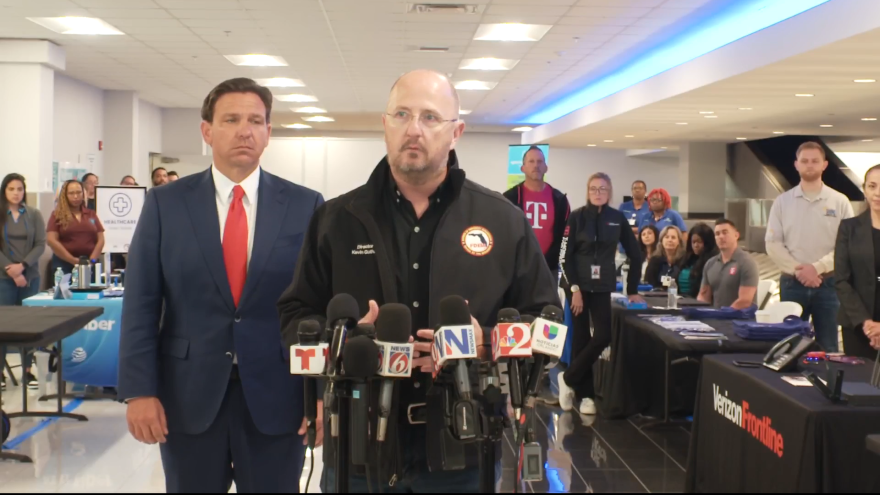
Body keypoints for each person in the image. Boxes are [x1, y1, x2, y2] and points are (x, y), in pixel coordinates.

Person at [277, 69, 559, 493]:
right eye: (402, 114)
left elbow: (550, 325)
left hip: (462, 444)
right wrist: (347, 343)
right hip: (357, 442)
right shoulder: (335, 220)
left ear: (456, 131)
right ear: (384, 125)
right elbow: (295, 316)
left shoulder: (503, 220)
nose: (413, 129)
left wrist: (487, 343)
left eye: (430, 117)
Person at [118, 77, 324, 493]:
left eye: (256, 121)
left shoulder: (306, 205)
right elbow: (141, 302)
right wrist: (138, 391)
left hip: (278, 395)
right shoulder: (165, 204)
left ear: (268, 132)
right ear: (207, 130)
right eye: (231, 119)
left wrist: (319, 393)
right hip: (186, 396)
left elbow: (314, 309)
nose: (244, 130)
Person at [556, 173, 644, 415]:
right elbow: (563, 258)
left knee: (604, 335)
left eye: (602, 188)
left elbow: (635, 254)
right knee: (581, 338)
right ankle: (586, 397)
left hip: (603, 285)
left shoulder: (617, 219)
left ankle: (568, 378)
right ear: (587, 191)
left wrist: (633, 289)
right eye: (593, 188)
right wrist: (573, 288)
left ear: (610, 191)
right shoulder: (576, 218)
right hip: (577, 286)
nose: (598, 192)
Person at [766, 141, 854, 352]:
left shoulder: (839, 201)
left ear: (824, 165)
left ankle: (827, 383)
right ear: (796, 165)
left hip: (829, 284)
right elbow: (773, 243)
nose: (810, 165)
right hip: (792, 283)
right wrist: (800, 269)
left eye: (815, 161)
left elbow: (847, 244)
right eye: (804, 161)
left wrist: (817, 268)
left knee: (828, 345)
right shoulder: (782, 202)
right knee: (791, 345)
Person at [0, 173, 46, 391]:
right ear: (4, 191)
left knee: (29, 326)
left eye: (20, 189)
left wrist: (23, 267)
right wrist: (11, 269)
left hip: (29, 277)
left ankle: (28, 370)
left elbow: (40, 244)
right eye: (11, 189)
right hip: (4, 277)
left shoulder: (34, 214)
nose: (16, 193)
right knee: (3, 325)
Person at [834, 165, 880, 358]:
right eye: (872, 186)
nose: (878, 193)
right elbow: (842, 280)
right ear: (865, 190)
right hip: (857, 324)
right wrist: (867, 323)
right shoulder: (849, 228)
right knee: (858, 386)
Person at [503, 146, 570, 275]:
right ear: (523, 168)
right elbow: (504, 233)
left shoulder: (559, 200)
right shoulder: (509, 198)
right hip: (517, 269)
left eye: (540, 162)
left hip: (549, 269)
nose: (536, 165)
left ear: (546, 167)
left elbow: (565, 238)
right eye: (531, 161)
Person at [46, 180, 104, 275]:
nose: (76, 196)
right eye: (71, 193)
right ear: (65, 195)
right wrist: (73, 260)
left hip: (89, 265)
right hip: (64, 265)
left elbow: (100, 239)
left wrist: (92, 261)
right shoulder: (57, 215)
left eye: (78, 192)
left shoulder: (91, 214)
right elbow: (51, 240)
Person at [698, 220, 758, 309]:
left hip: (740, 319)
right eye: (717, 234)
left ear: (736, 235)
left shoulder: (747, 263)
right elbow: (703, 297)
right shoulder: (710, 264)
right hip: (715, 319)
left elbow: (745, 301)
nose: (721, 237)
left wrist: (724, 314)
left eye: (725, 233)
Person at [677, 223, 718, 298]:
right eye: (693, 242)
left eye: (699, 242)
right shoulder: (685, 259)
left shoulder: (712, 262)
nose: (696, 245)